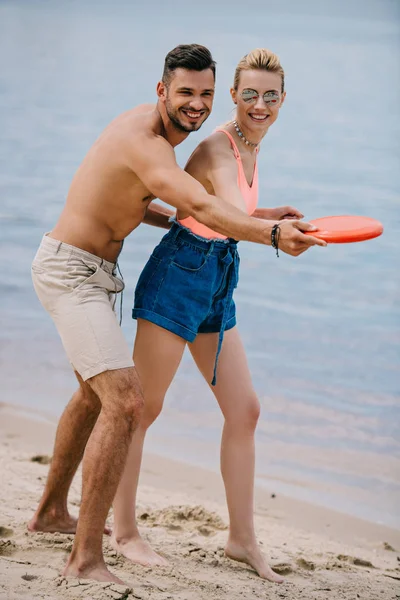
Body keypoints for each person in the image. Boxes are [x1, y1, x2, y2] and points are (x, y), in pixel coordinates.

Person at [29, 44, 325, 585]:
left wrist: (248, 219)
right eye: (186, 92)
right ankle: (93, 553)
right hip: (71, 269)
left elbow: (179, 204)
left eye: (204, 94)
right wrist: (274, 235)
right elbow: (209, 206)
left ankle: (51, 512)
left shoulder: (171, 140)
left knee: (98, 397)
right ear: (161, 89)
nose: (197, 103)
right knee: (128, 403)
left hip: (107, 272)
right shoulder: (151, 144)